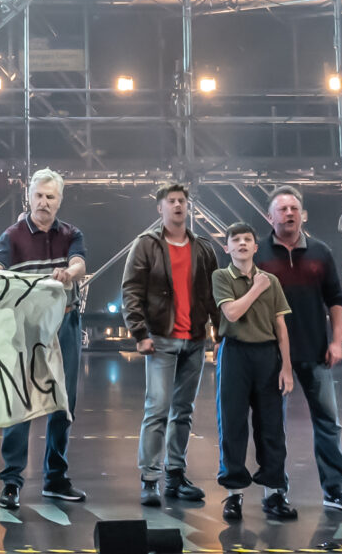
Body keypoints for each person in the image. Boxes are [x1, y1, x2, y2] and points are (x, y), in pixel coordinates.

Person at [0, 168, 89, 511]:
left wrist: (70, 272)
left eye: (51, 197)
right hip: (23, 330)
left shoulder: (71, 233)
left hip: (63, 325)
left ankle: (55, 479)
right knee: (19, 402)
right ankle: (12, 481)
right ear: (28, 198)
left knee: (63, 402)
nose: (44, 202)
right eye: (39, 196)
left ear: (59, 201)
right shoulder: (13, 235)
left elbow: (79, 262)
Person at [257, 186, 342, 512]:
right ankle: (274, 491)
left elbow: (336, 300)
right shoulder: (258, 254)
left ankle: (335, 489)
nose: (289, 213)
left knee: (328, 423)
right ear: (269, 216)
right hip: (271, 355)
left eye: (294, 208)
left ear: (302, 215)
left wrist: (336, 341)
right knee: (271, 425)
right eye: (282, 209)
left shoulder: (321, 252)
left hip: (316, 351)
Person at [121, 181, 218, 508]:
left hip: (194, 340)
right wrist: (140, 334)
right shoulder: (146, 245)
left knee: (183, 413)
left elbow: (213, 295)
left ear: (187, 207)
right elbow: (132, 290)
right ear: (160, 208)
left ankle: (175, 475)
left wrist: (218, 333)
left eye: (182, 201)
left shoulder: (203, 248)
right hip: (161, 340)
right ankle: (150, 479)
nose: (178, 206)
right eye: (171, 201)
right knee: (157, 409)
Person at [212, 223, 298, 521]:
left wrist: (286, 367)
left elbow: (281, 326)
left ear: (255, 246)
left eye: (247, 239)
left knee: (271, 426)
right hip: (234, 353)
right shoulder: (222, 276)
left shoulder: (271, 280)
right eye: (235, 240)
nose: (242, 244)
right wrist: (255, 288)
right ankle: (233, 494)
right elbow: (232, 313)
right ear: (228, 248)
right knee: (232, 424)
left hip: (267, 355)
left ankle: (274, 492)